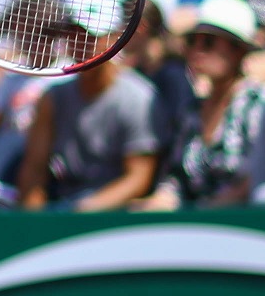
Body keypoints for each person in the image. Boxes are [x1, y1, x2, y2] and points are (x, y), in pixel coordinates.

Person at [16, 35, 162, 211]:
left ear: (113, 39)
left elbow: (138, 179)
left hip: (117, 217)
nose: (81, 45)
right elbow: (34, 169)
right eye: (73, 34)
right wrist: (35, 223)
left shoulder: (139, 99)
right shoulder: (52, 98)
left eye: (91, 37)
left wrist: (82, 214)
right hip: (63, 206)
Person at [153, 0, 265, 207]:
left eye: (208, 42)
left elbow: (258, 178)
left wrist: (208, 214)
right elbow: (176, 180)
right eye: (192, 41)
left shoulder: (260, 104)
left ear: (239, 50)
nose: (197, 51)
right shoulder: (190, 111)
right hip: (197, 230)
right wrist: (158, 203)